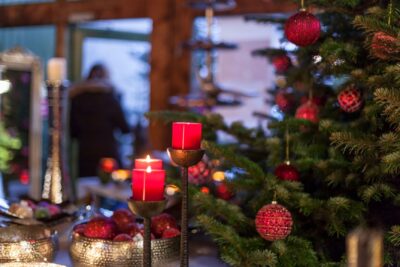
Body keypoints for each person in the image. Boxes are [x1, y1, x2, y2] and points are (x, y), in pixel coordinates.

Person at [69, 63, 130, 177]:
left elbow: (72, 131)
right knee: (109, 190)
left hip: (85, 153)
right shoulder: (111, 98)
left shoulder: (77, 98)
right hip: (108, 153)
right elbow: (125, 128)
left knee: (86, 190)